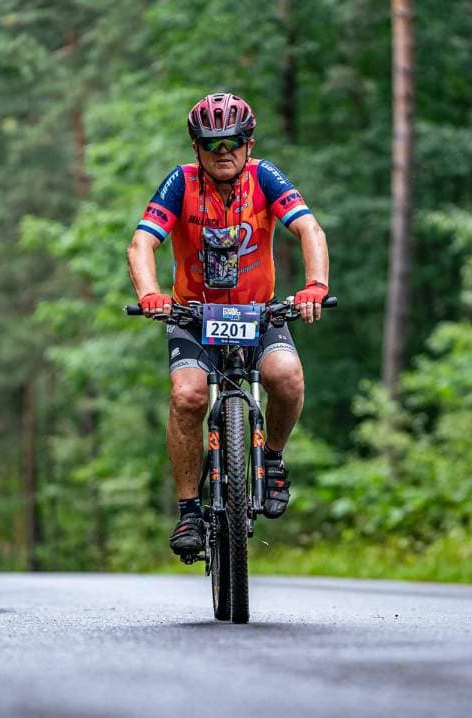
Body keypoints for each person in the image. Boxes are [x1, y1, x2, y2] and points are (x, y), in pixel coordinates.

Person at [126, 92, 330, 557]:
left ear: (249, 144)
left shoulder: (265, 178)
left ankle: (272, 459)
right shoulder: (180, 183)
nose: (223, 152)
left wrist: (315, 285)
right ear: (195, 148)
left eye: (233, 142)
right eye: (211, 143)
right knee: (188, 396)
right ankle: (188, 511)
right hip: (193, 316)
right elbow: (142, 244)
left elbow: (309, 229)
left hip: (258, 312)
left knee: (287, 377)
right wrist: (150, 294)